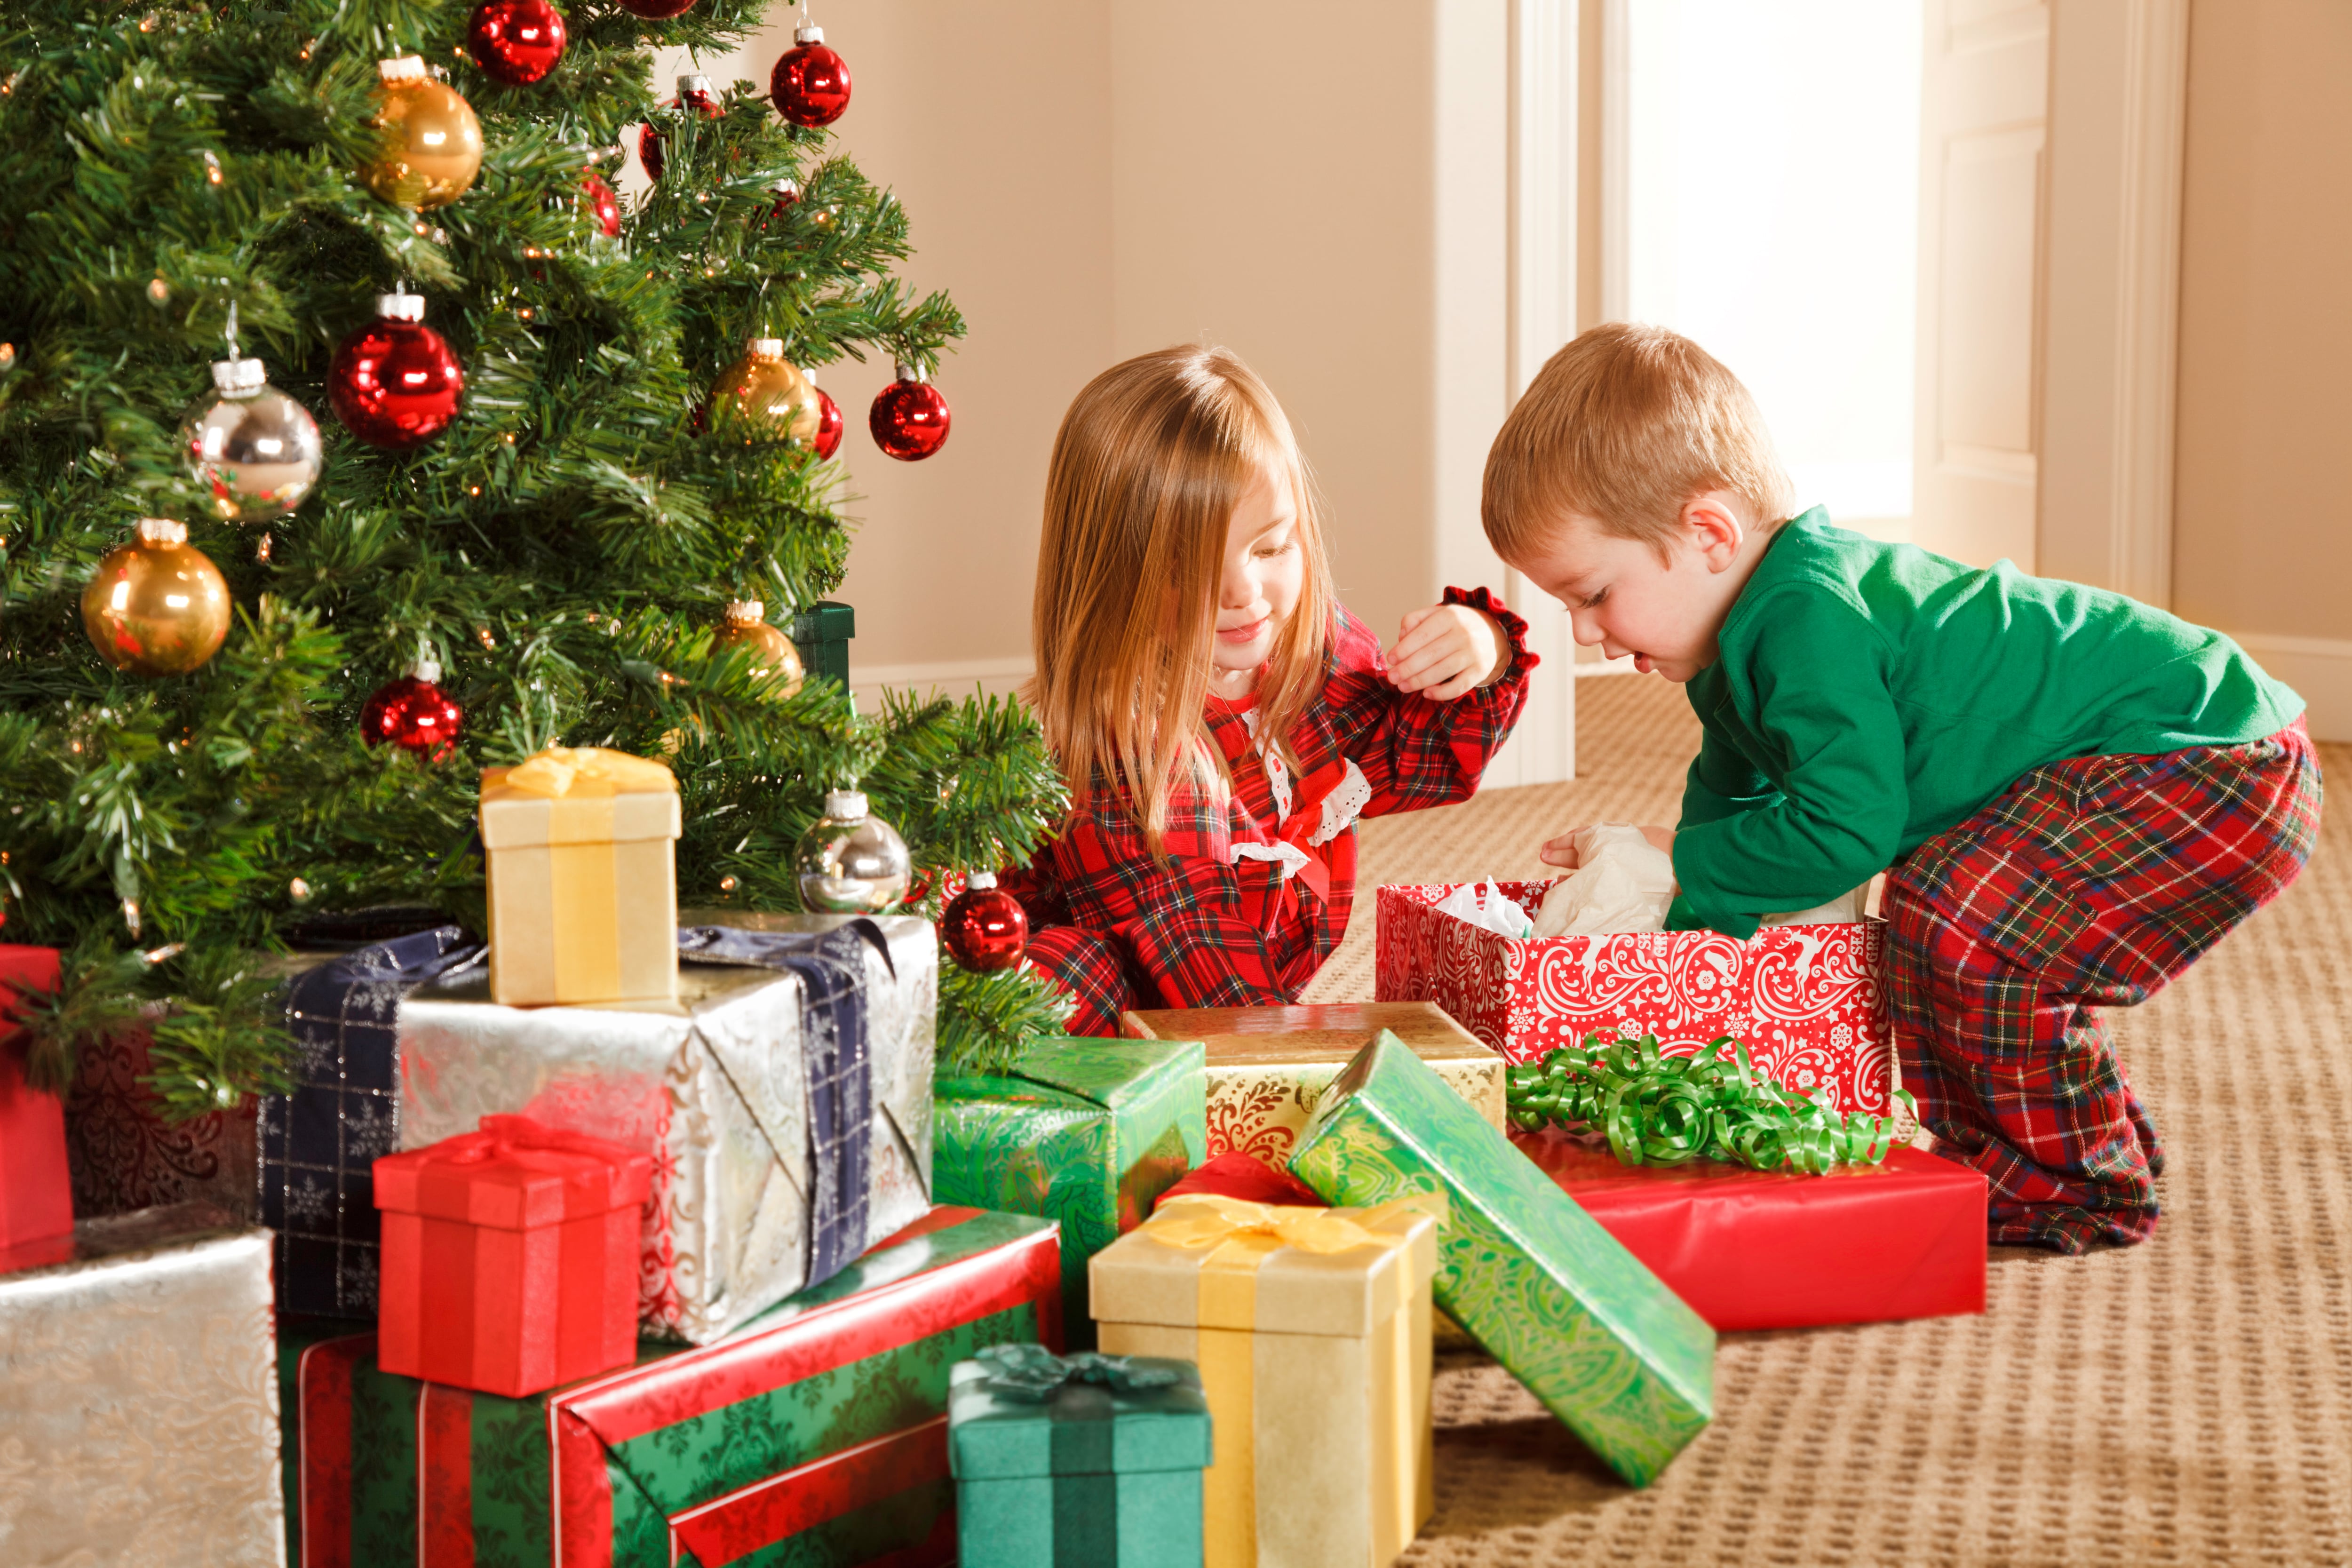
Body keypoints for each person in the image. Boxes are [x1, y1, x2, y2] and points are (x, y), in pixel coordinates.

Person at [1483, 321, 2321, 1253]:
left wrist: (1682, 858)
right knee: (1946, 908)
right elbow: (1731, 817)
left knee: (1959, 916)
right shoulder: (1728, 660)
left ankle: (2072, 1184)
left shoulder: (1809, 618)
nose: (1583, 632)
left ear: (1709, 533)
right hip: (2160, 754)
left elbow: (1846, 830)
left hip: (2208, 756)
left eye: (1594, 594)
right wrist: (1672, 954)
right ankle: (2039, 1145)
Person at [1008, 344, 1535, 1036]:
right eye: (1189, 568)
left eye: (1270, 548)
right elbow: (1196, 944)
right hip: (1141, 983)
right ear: (1112, 575)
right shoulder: (1128, 738)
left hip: (1243, 985)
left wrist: (1482, 649)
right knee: (1061, 982)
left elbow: (1420, 761)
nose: (1243, 593)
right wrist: (1292, 1058)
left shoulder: (1305, 653)